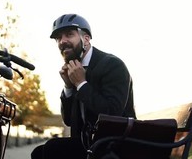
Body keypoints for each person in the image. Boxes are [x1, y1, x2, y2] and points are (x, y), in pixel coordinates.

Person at [31, 13, 136, 159]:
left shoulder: (112, 65)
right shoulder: (76, 69)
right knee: (38, 152)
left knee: (52, 149)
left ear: (86, 39)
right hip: (90, 143)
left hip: (116, 144)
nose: (62, 41)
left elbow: (112, 113)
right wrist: (68, 86)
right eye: (58, 38)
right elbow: (68, 121)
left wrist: (81, 84)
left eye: (69, 34)